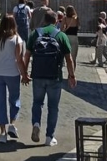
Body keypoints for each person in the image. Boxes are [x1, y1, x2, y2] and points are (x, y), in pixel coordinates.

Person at [23, 10, 76, 146]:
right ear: (56, 21)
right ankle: (49, 137)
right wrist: (71, 75)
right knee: (53, 107)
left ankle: (36, 123)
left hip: (38, 75)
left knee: (37, 102)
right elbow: (69, 59)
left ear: (44, 21)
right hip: (54, 76)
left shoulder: (36, 34)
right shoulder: (61, 35)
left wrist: (24, 73)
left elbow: (27, 55)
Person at [0, 13, 26, 143]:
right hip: (12, 73)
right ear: (14, 24)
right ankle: (12, 124)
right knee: (14, 99)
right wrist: (24, 74)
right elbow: (19, 60)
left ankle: (2, 133)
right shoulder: (16, 39)